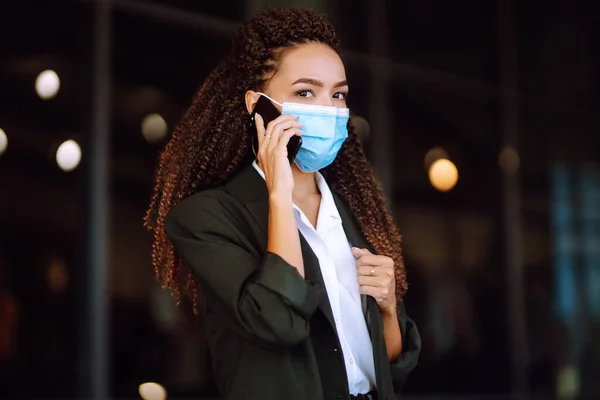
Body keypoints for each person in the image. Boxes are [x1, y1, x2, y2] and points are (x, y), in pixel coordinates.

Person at [145, 7, 421, 400]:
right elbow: (279, 323)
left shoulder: (349, 211)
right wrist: (279, 193)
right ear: (257, 105)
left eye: (338, 94)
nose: (328, 108)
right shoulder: (206, 217)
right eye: (305, 92)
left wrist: (389, 308)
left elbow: (386, 367)